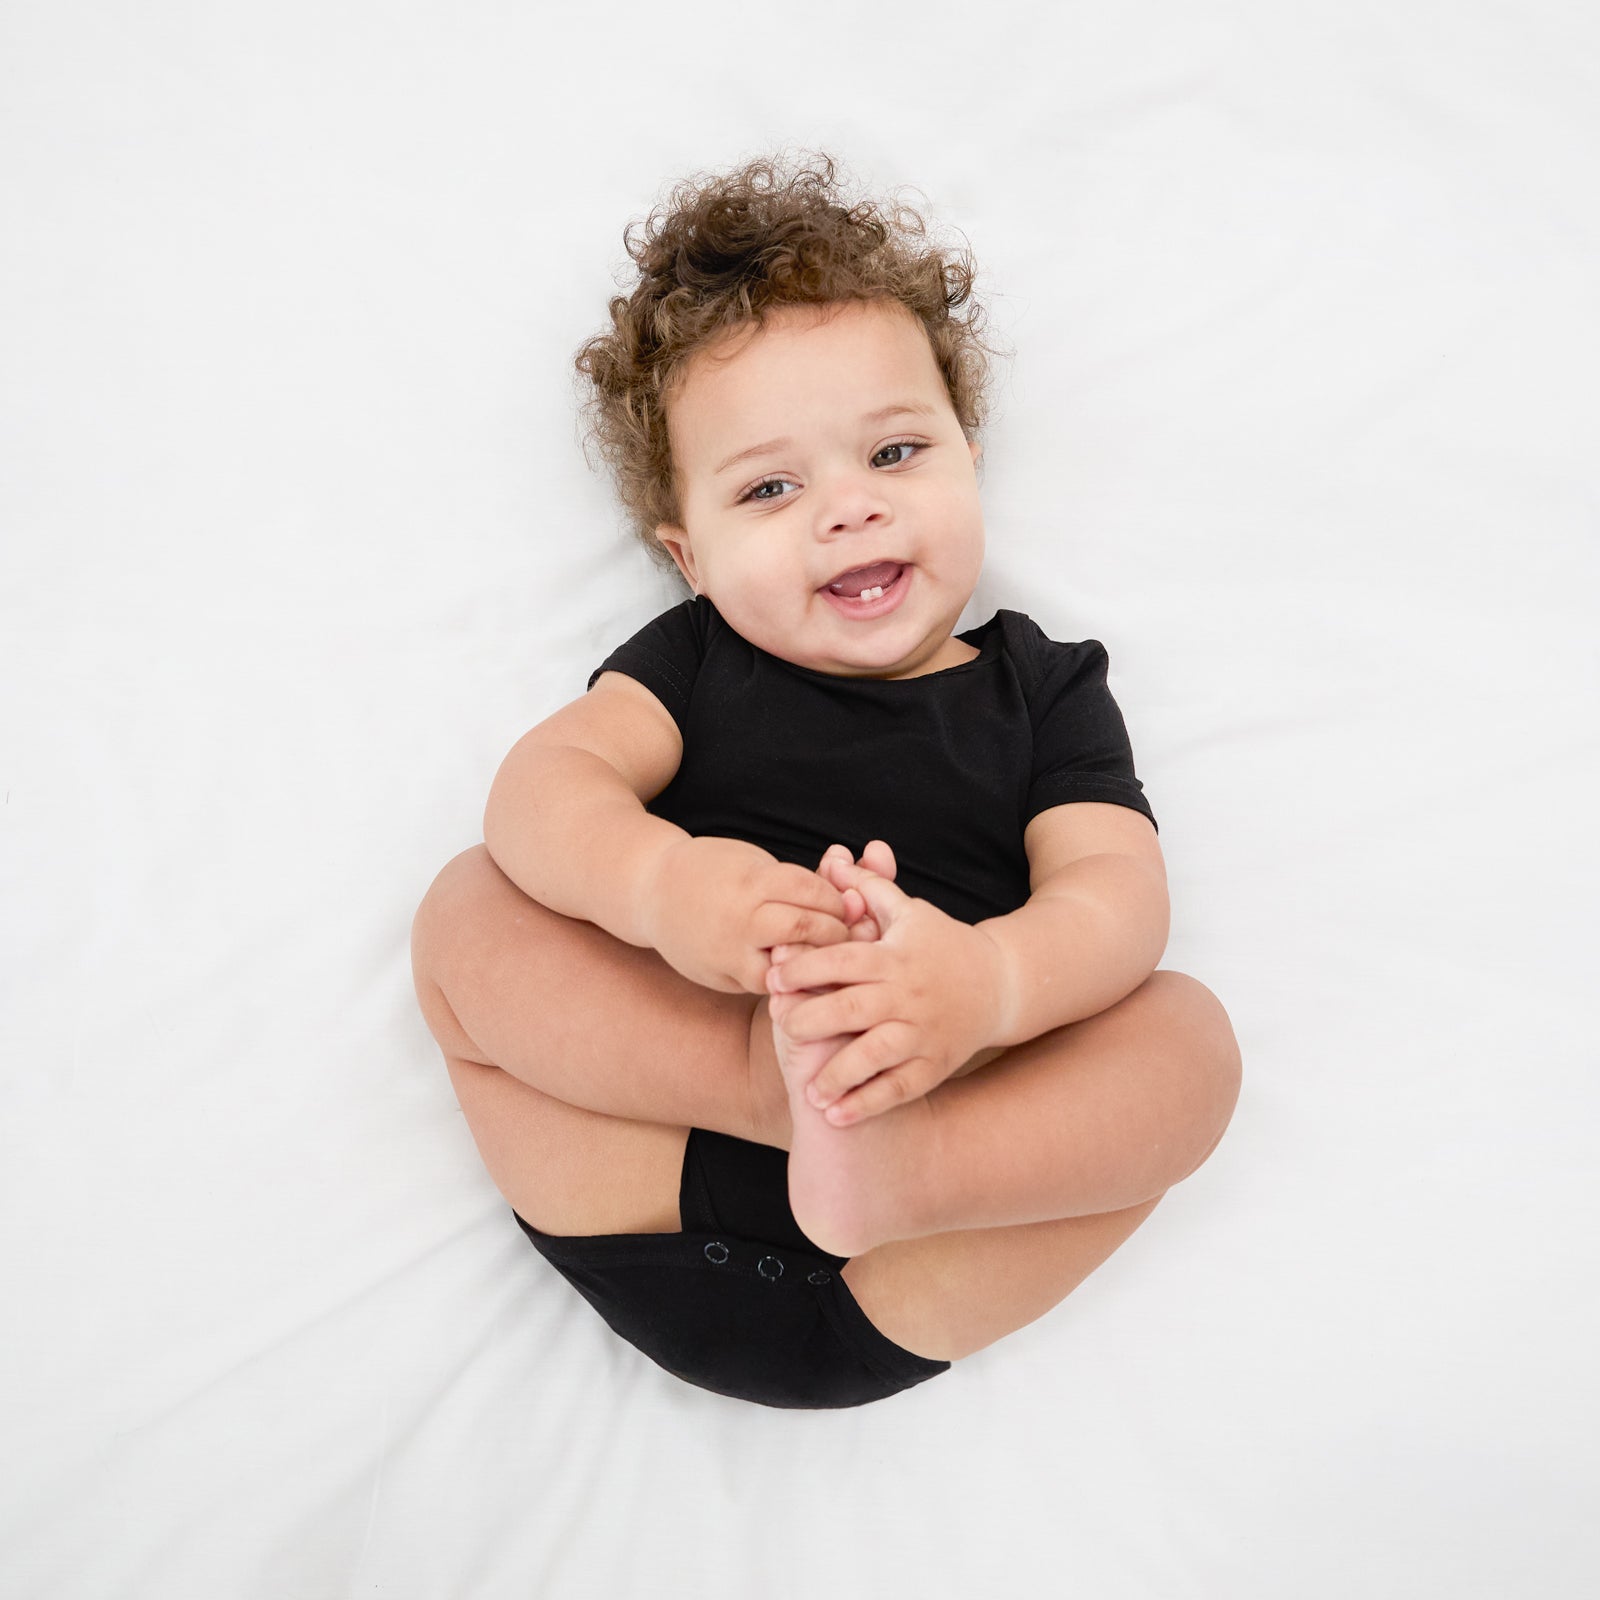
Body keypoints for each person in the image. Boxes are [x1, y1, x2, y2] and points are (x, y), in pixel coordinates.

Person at [410, 154, 1242, 1410]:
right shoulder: (698, 662)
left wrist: (987, 984)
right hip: (647, 1169)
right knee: (468, 910)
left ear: (969, 461)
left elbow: (1115, 897)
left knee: (1186, 1042)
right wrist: (663, 887)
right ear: (690, 558)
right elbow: (545, 785)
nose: (847, 509)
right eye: (771, 487)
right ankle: (780, 1091)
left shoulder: (1044, 688)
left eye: (894, 452)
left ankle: (905, 1152)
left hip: (908, 1246)